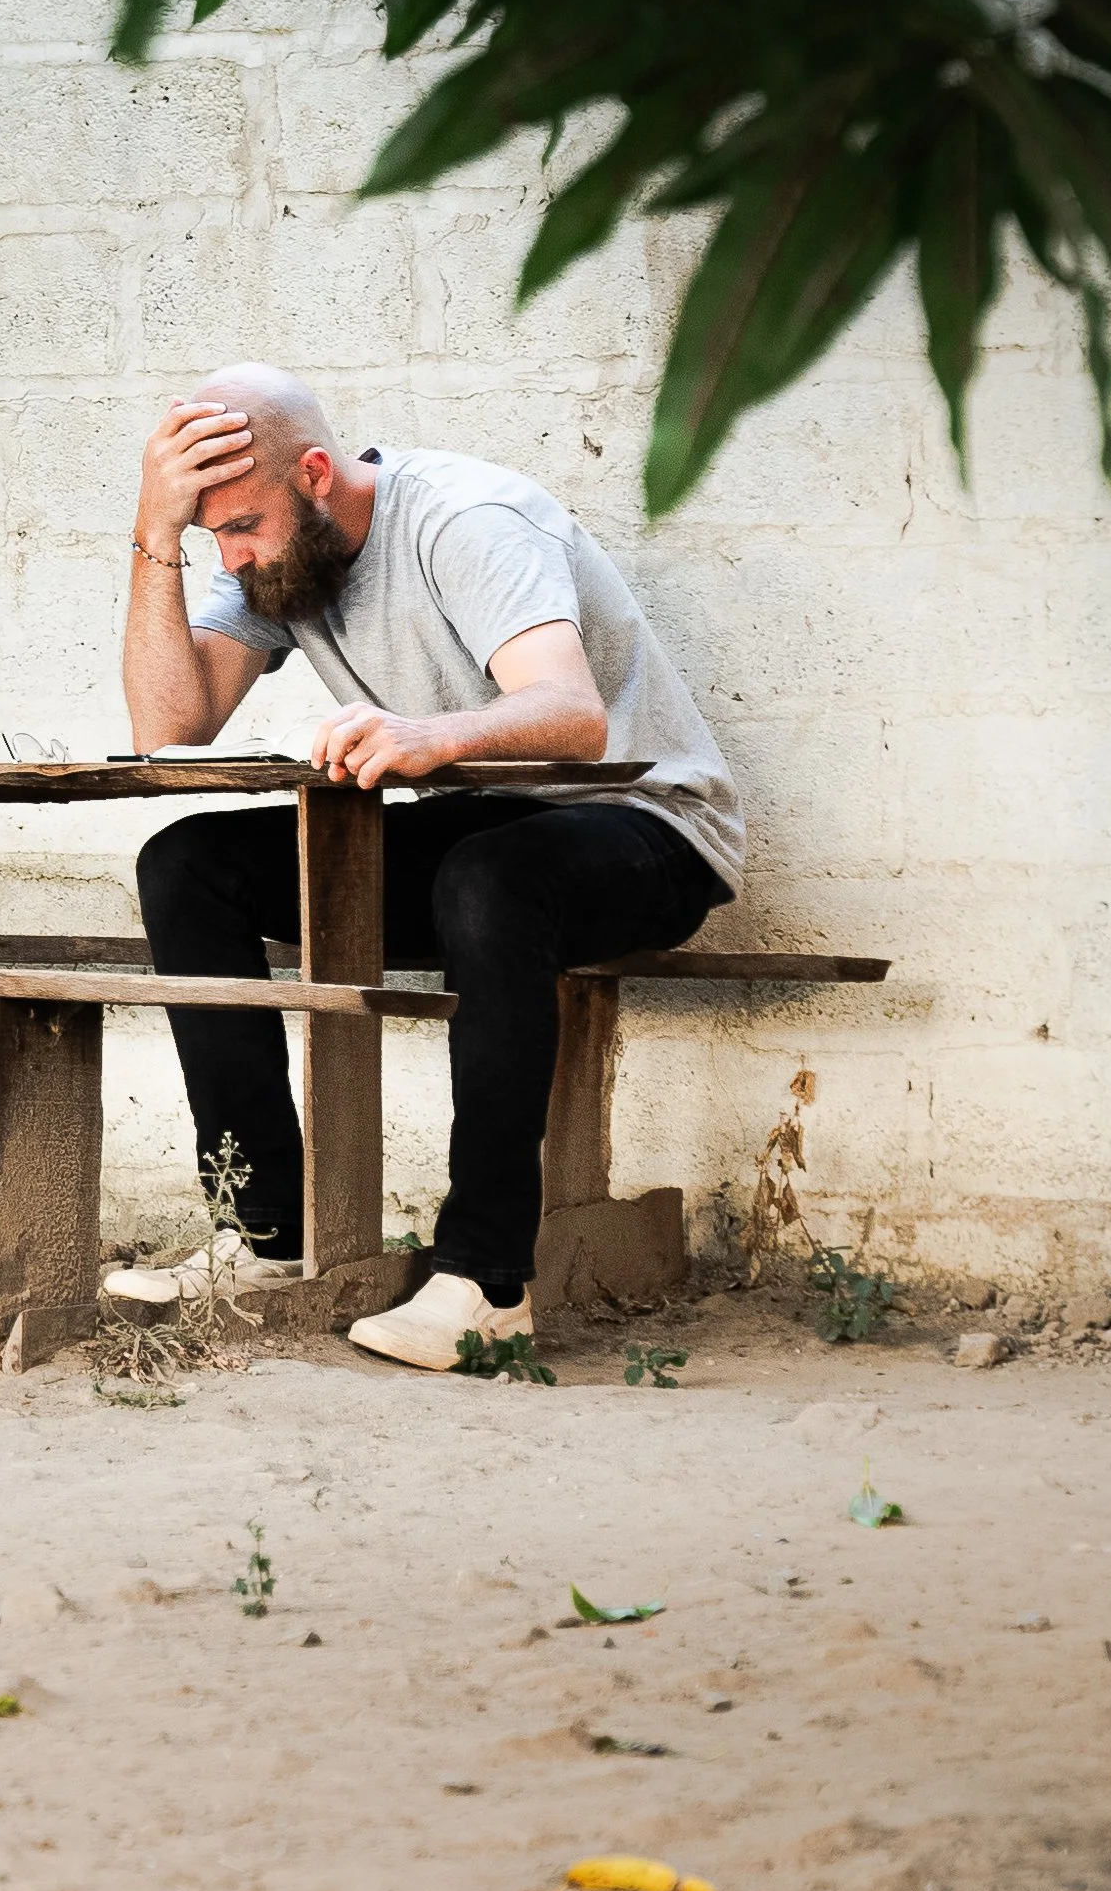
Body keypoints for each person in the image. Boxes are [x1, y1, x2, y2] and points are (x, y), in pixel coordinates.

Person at [107, 362, 744, 1371]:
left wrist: (424, 735)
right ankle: (267, 1236)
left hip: (643, 826)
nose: (229, 559)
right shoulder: (281, 566)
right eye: (209, 534)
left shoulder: (464, 518)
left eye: (239, 527)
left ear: (313, 473)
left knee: (487, 879)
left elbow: (572, 717)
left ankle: (486, 1282)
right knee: (186, 862)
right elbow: (166, 726)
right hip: (486, 839)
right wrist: (154, 535)